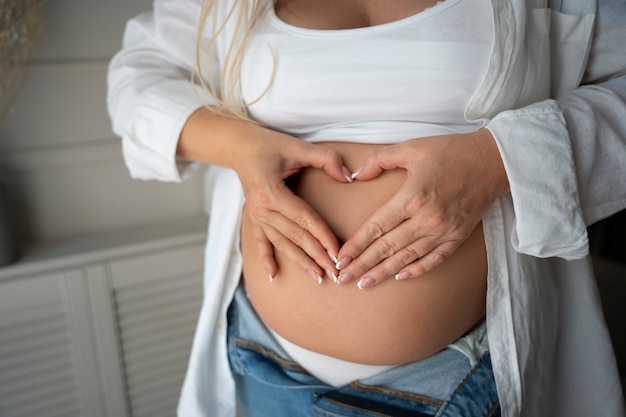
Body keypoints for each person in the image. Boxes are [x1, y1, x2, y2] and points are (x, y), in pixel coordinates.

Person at [107, 0, 626, 416]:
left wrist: (494, 160)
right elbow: (137, 80)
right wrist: (240, 149)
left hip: (456, 379)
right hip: (267, 361)